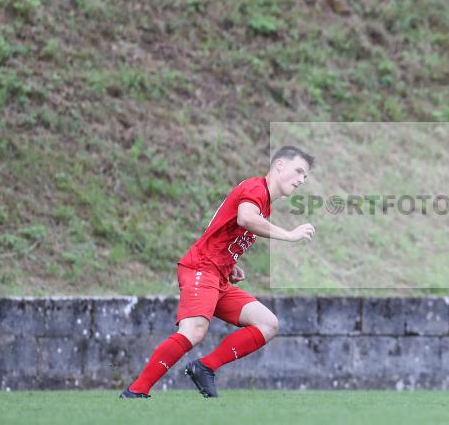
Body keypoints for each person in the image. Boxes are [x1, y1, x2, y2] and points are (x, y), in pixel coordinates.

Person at [120, 146, 316, 398]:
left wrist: (228, 263)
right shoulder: (255, 189)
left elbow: (222, 228)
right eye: (299, 171)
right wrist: (288, 235)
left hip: (217, 274)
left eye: (305, 176)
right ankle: (136, 391)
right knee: (193, 331)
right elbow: (246, 218)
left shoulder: (263, 200)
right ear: (279, 165)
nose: (301, 180)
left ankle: (204, 368)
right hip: (201, 269)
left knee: (267, 324)